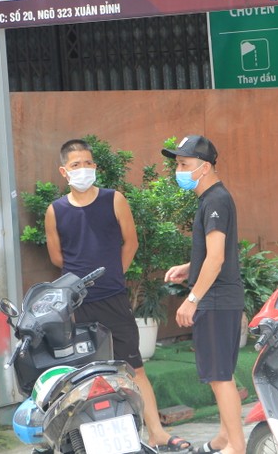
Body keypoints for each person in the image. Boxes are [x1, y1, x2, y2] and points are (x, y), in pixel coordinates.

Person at [44, 139, 191, 453]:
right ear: (63, 171)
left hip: (114, 299)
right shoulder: (55, 211)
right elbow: (58, 257)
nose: (83, 169)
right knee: (85, 376)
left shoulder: (114, 200)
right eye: (75, 165)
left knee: (134, 368)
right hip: (77, 306)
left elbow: (131, 243)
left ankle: (156, 433)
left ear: (95, 166)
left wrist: (114, 273)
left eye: (87, 163)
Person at [163, 135, 245, 454]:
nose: (179, 170)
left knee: (219, 376)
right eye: (177, 164)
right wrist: (190, 265)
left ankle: (236, 446)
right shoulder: (213, 199)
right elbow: (212, 253)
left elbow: (217, 258)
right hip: (222, 297)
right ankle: (224, 438)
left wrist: (192, 298)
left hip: (215, 300)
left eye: (184, 164)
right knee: (220, 374)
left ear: (205, 167)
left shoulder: (215, 200)